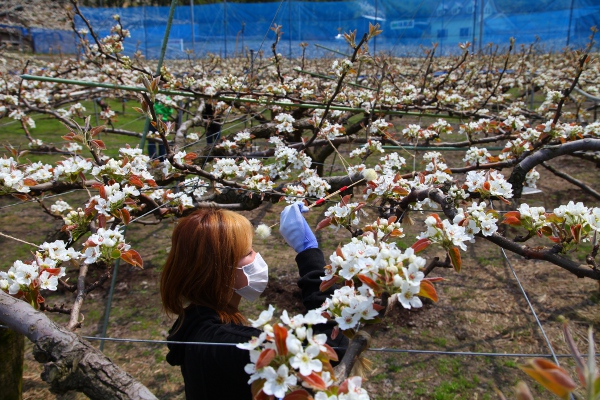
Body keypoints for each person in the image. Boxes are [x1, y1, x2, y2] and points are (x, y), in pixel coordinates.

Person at [161, 204, 347, 399]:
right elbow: (331, 343)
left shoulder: (194, 325)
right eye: (248, 253)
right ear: (220, 273)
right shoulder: (229, 344)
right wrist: (309, 253)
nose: (258, 257)